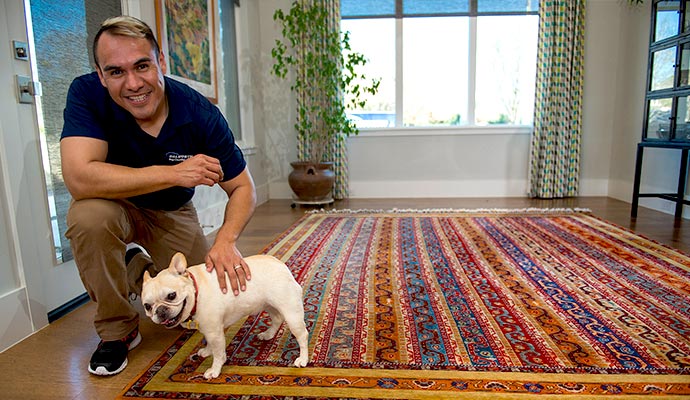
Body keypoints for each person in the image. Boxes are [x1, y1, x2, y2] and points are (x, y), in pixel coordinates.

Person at [60, 15, 256, 376]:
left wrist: (226, 241)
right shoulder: (85, 94)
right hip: (111, 206)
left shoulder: (199, 114)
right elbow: (78, 178)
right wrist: (173, 173)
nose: (133, 83)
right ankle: (117, 331)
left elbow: (243, 187)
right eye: (116, 72)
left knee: (201, 303)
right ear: (101, 76)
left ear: (160, 62)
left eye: (142, 66)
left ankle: (137, 266)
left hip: (171, 209)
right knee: (88, 218)